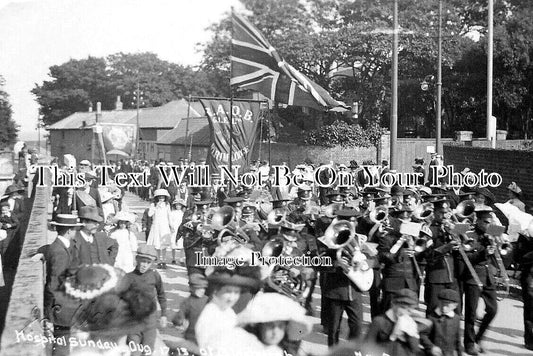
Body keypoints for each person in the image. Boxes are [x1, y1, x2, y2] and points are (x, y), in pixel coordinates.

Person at [41, 214, 83, 356]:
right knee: (62, 344)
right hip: (60, 308)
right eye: (74, 229)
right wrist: (49, 314)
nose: (75, 232)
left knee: (63, 341)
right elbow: (54, 283)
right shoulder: (59, 251)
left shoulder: (60, 247)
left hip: (64, 306)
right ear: (69, 231)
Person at [462, 206, 499, 355]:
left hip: (488, 276)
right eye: (485, 222)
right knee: (471, 314)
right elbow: (467, 258)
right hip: (473, 276)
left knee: (493, 309)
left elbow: (505, 253)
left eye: (490, 222)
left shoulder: (493, 232)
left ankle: (478, 338)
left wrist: (500, 246)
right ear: (478, 221)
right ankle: (469, 343)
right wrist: (484, 253)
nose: (488, 225)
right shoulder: (469, 235)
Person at [195, 267, 260, 352]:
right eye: (228, 292)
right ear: (216, 291)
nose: (231, 298)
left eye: (236, 292)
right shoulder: (211, 312)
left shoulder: (228, 312)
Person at [121, 244, 168, 356]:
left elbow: (161, 295)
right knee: (134, 352)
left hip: (150, 321)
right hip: (133, 321)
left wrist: (164, 314)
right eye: (142, 261)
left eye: (148, 262)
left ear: (152, 263)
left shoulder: (155, 276)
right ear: (137, 259)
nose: (144, 265)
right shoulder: (128, 277)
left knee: (147, 351)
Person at [237, 292, 313, 356]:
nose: (275, 332)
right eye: (270, 326)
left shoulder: (280, 351)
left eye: (280, 327)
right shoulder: (246, 348)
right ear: (259, 326)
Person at [365, 288, 426, 356]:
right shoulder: (379, 321)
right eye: (402, 307)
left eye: (409, 310)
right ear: (393, 305)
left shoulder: (412, 323)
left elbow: (415, 350)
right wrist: (392, 336)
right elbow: (367, 347)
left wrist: (411, 334)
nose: (405, 312)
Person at [420, 289, 463, 356]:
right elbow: (423, 335)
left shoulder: (456, 318)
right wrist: (431, 347)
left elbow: (458, 339)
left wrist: (460, 353)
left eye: (448, 306)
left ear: (455, 306)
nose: (444, 308)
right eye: (441, 304)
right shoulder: (432, 317)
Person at [172, 273, 209, 345]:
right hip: (191, 335)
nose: (202, 290)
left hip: (206, 333)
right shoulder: (187, 302)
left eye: (203, 288)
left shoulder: (207, 300)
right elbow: (180, 315)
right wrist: (178, 321)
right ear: (192, 288)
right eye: (199, 288)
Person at [146, 189, 172, 268]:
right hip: (156, 226)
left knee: (163, 244)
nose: (161, 199)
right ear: (157, 198)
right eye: (159, 197)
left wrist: (171, 225)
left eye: (163, 197)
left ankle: (163, 260)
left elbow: (169, 216)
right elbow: (150, 214)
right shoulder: (153, 205)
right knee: (157, 244)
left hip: (164, 225)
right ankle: (158, 261)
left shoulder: (167, 205)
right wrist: (155, 207)